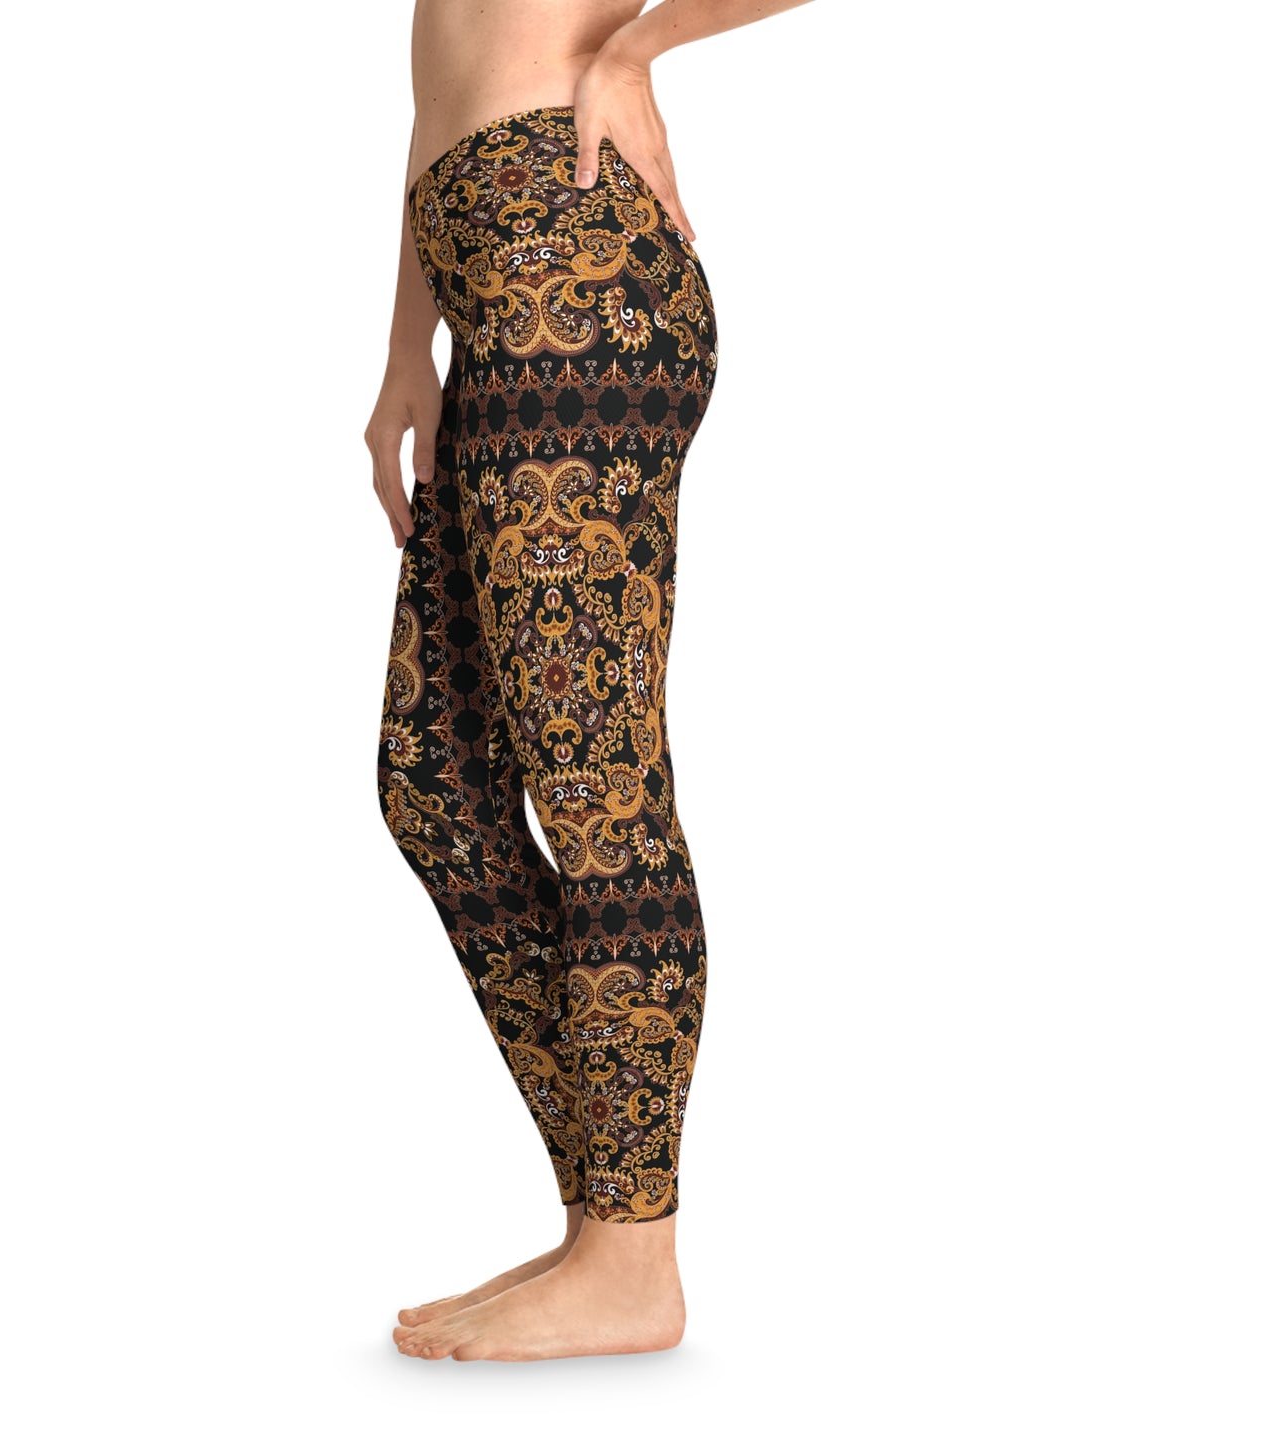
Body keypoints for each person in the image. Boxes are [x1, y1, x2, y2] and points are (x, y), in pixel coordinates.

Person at [370, 0, 812, 1363]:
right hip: (486, 274)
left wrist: (633, 49)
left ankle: (633, 1258)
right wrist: (408, 342)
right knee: (434, 785)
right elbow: (443, 74)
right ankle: (600, 1216)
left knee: (592, 779)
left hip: (573, 261)